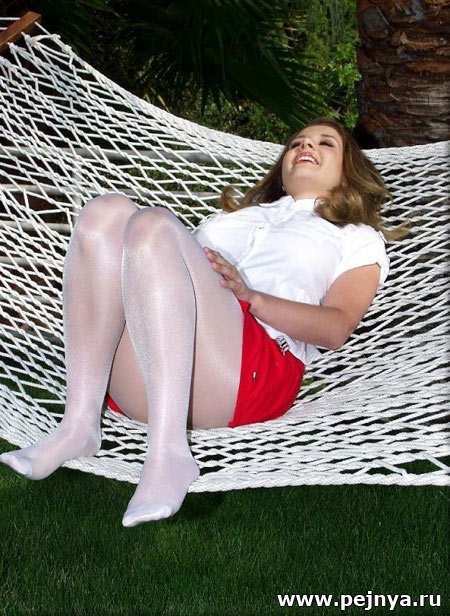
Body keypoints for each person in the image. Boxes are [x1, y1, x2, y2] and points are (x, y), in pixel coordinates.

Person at [0, 116, 409, 528]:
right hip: (150, 369)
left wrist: (252, 298)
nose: (306, 147)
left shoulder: (355, 237)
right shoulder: (230, 219)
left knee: (153, 224)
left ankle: (169, 452)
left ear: (348, 172)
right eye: (297, 142)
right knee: (105, 211)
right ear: (282, 172)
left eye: (325, 143)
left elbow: (336, 328)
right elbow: (163, 282)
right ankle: (78, 423)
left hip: (248, 372)